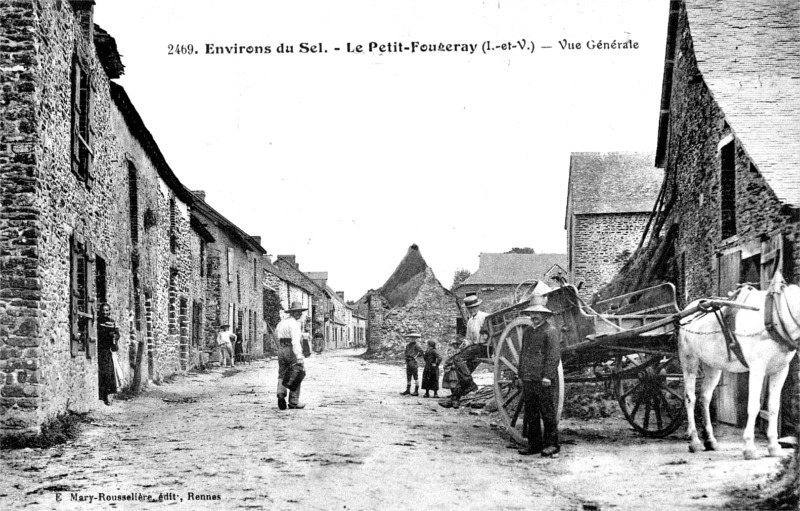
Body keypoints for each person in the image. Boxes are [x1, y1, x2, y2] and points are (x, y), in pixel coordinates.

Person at [517, 294, 562, 457]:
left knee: (547, 411)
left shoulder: (550, 331)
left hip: (542, 380)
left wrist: (548, 376)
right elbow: (523, 354)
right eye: (532, 314)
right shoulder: (528, 331)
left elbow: (553, 356)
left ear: (544, 315)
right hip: (528, 378)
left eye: (537, 314)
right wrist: (520, 374)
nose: (534, 317)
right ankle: (534, 444)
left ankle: (552, 444)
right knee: (531, 412)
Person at [440, 294, 489, 409]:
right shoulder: (470, 321)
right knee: (464, 370)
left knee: (458, 359)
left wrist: (483, 339)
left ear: (478, 306)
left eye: (473, 307)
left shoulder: (485, 317)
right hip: (474, 348)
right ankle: (455, 398)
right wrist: (461, 348)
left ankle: (470, 385)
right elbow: (468, 339)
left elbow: (489, 333)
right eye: (469, 308)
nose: (471, 310)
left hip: (483, 347)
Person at [275, 301, 307, 410]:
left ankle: (280, 394)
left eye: (300, 312)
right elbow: (295, 341)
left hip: (281, 349)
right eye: (297, 312)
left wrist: (280, 348)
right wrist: (299, 356)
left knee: (282, 373)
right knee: (297, 372)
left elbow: (276, 334)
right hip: (291, 350)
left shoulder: (282, 323)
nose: (300, 314)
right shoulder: (294, 324)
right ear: (293, 313)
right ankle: (294, 401)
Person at [97, 303, 120, 406]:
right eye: (103, 310)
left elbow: (117, 334)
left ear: (109, 311)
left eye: (107, 311)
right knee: (101, 372)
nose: (105, 312)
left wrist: (114, 336)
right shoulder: (97, 321)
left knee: (108, 372)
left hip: (107, 350)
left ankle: (106, 395)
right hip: (99, 349)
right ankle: (100, 395)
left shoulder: (112, 322)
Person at [400, 332, 424, 396]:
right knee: (408, 375)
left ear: (416, 338)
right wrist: (405, 358)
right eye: (411, 338)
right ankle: (408, 390)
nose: (412, 339)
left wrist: (416, 356)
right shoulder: (407, 345)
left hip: (413, 361)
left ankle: (416, 391)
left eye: (414, 338)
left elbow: (422, 352)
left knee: (415, 376)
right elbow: (406, 352)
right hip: (408, 361)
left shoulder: (417, 345)